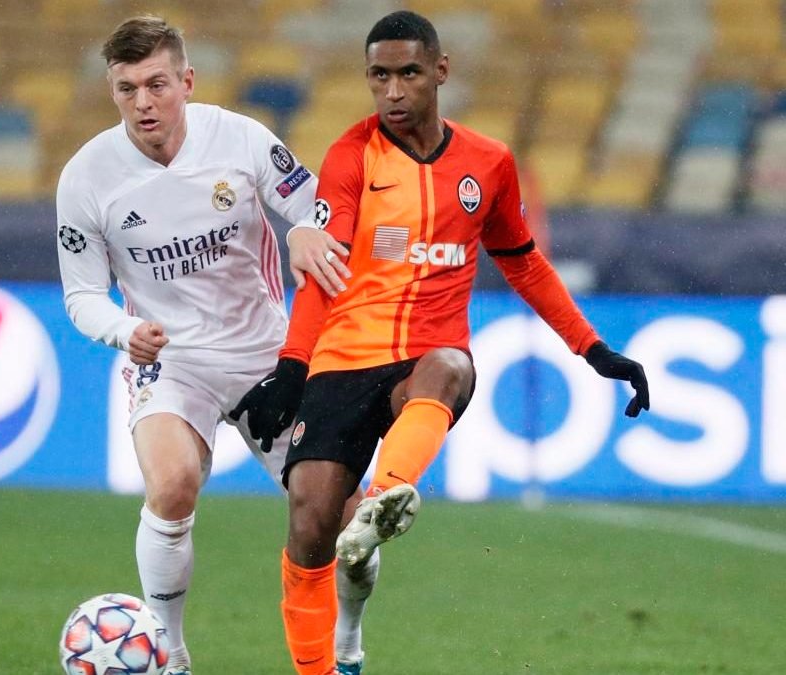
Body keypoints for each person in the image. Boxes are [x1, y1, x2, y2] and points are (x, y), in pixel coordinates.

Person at [229, 11, 651, 675]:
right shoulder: (351, 156)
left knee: (451, 367)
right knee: (310, 525)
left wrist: (593, 349)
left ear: (440, 70)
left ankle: (384, 498)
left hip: (426, 355)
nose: (393, 91)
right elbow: (324, 267)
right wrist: (291, 366)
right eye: (379, 76)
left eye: (408, 73)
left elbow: (523, 262)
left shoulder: (489, 163)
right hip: (344, 356)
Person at [55, 16, 376, 675]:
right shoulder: (86, 178)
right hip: (172, 361)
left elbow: (321, 207)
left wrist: (303, 230)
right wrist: (124, 331)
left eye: (156, 84)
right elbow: (82, 294)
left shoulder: (240, 138)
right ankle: (170, 655)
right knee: (172, 485)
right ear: (112, 91)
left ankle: (347, 645)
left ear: (187, 82)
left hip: (267, 355)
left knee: (344, 516)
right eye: (126, 89)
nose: (143, 102)